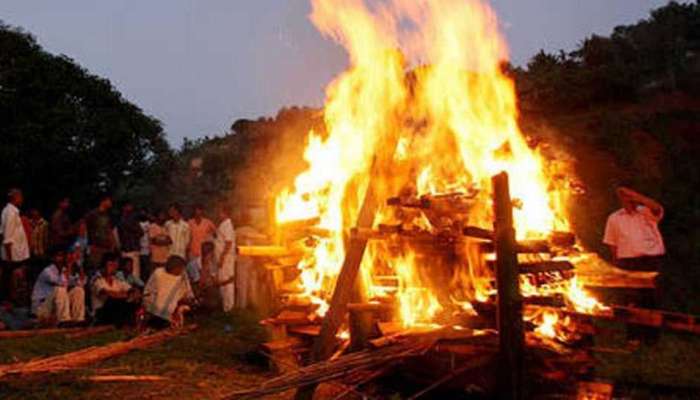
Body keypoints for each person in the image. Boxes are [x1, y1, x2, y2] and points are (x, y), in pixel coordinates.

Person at [603, 187, 665, 271]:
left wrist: (636, 196)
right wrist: (616, 264)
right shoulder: (614, 218)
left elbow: (657, 208)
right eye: (627, 200)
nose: (630, 202)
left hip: (651, 259)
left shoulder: (646, 212)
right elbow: (612, 243)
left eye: (632, 200)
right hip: (627, 261)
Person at [31, 247, 85, 326]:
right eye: (58, 256)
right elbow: (62, 283)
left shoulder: (64, 270)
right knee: (60, 290)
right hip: (42, 308)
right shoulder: (48, 271)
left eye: (62, 256)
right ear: (53, 258)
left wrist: (79, 266)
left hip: (54, 308)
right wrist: (69, 267)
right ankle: (64, 320)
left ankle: (78, 320)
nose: (60, 259)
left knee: (78, 290)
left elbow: (81, 283)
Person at [143, 255, 194, 329]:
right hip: (154, 310)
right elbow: (148, 292)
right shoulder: (158, 273)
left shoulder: (182, 276)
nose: (182, 270)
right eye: (180, 268)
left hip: (175, 309)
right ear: (174, 267)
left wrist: (187, 299)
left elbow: (188, 292)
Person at [91, 252, 140, 327]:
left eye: (115, 265)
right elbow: (108, 295)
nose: (113, 267)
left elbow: (134, 291)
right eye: (111, 265)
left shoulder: (117, 281)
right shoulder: (97, 281)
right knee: (115, 302)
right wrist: (125, 295)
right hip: (102, 313)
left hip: (114, 311)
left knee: (132, 302)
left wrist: (127, 294)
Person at [1, 189, 30, 304]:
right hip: (12, 255)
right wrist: (9, 257)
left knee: (14, 279)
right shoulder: (10, 212)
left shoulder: (13, 212)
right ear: (15, 197)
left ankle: (13, 299)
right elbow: (7, 236)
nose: (22, 199)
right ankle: (9, 301)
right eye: (20, 196)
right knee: (9, 280)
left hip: (16, 254)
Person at [85, 195, 116, 270]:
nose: (110, 203)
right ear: (103, 201)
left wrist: (113, 243)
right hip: (96, 247)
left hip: (107, 247)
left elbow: (109, 230)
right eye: (109, 200)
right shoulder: (93, 214)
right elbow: (86, 228)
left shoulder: (107, 216)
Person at [215, 204, 236, 312]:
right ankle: (225, 306)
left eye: (220, 211)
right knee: (222, 280)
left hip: (226, 258)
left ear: (224, 212)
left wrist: (223, 257)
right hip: (223, 257)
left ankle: (229, 307)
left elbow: (228, 242)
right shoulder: (223, 224)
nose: (218, 214)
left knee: (227, 281)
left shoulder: (227, 225)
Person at [117, 202, 144, 280]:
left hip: (131, 249)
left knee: (133, 273)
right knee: (129, 273)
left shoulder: (128, 219)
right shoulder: (123, 219)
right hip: (127, 249)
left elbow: (140, 232)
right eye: (128, 206)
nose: (130, 208)